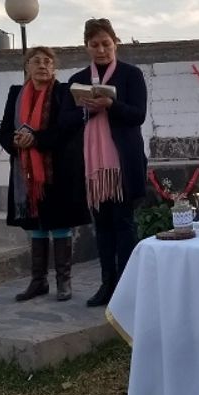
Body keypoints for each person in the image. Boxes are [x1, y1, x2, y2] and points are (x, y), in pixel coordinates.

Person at [59, 18, 148, 307]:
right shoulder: (77, 80)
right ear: (86, 47)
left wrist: (111, 105)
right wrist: (86, 111)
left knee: (124, 224)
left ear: (115, 43)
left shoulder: (130, 75)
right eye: (95, 45)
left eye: (106, 44)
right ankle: (106, 284)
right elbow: (65, 122)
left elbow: (138, 115)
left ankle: (128, 286)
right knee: (103, 227)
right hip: (93, 169)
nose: (101, 50)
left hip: (123, 163)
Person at [0, 47, 91, 302]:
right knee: (35, 225)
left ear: (54, 68)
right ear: (27, 66)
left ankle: (63, 282)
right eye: (36, 61)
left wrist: (35, 139)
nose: (42, 65)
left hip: (58, 171)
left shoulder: (63, 92)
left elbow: (68, 127)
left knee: (59, 224)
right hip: (25, 172)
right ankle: (38, 281)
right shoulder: (16, 94)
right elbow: (4, 130)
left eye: (48, 61)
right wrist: (16, 141)